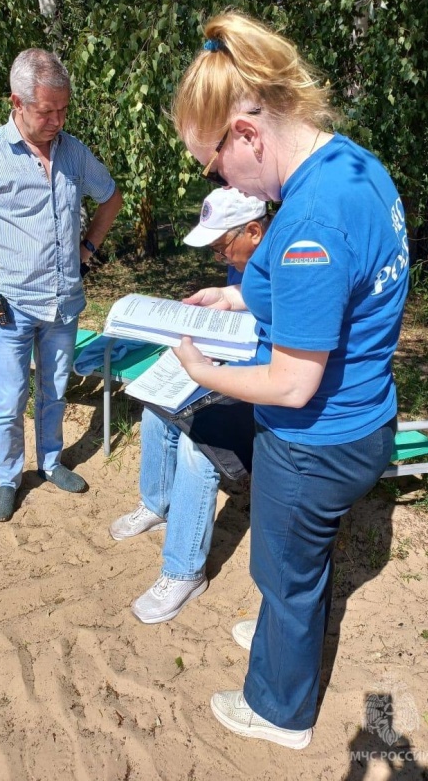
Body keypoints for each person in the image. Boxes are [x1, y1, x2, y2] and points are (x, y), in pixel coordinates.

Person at [171, 12, 409, 749]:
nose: (220, 180)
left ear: (246, 134)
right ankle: (285, 627)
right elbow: (343, 292)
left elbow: (293, 384)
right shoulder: (352, 165)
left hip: (317, 438)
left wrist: (201, 369)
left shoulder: (308, 219)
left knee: (286, 566)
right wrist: (240, 296)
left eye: (212, 166)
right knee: (298, 564)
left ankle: (278, 710)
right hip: (364, 418)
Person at [0, 49, 122, 522]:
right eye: (47, 111)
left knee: (55, 389)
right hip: (11, 304)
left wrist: (89, 249)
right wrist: (2, 254)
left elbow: (111, 197)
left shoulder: (73, 151)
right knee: (10, 399)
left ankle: (50, 462)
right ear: (16, 103)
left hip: (64, 302)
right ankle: (8, 478)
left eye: (63, 110)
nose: (56, 121)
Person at [109, 187, 269, 624]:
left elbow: (276, 359)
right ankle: (157, 504)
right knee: (156, 408)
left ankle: (184, 571)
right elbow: (241, 313)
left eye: (222, 247)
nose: (220, 256)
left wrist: (211, 363)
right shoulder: (248, 265)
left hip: (263, 392)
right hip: (230, 372)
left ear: (254, 231)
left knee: (197, 448)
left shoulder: (286, 265)